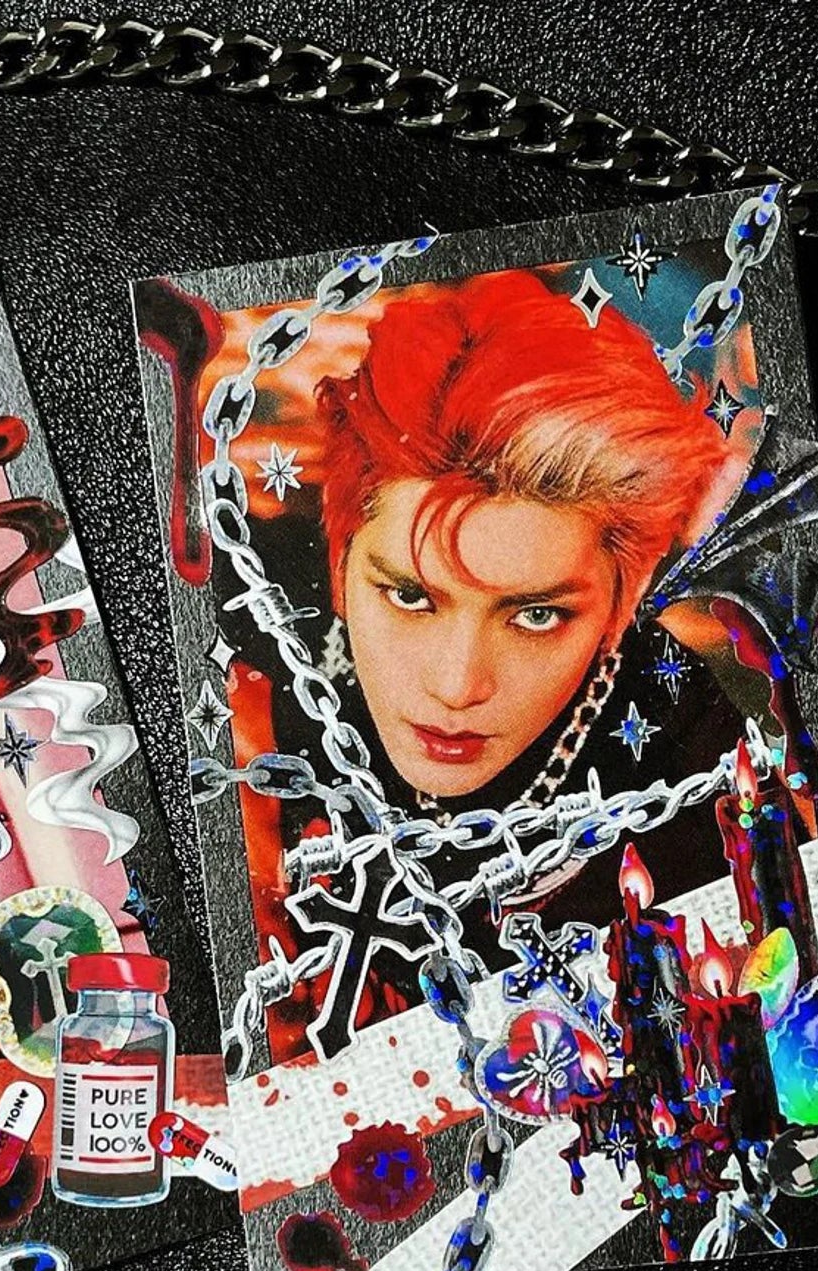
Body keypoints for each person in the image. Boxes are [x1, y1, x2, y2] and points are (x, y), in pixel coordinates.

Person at [285, 267, 761, 1001]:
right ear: (342, 559)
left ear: (625, 597)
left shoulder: (704, 774)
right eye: (410, 596)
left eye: (536, 615)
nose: (457, 686)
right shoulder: (263, 679)